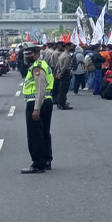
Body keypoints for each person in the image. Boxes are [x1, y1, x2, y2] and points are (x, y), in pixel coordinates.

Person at [21, 45, 54, 174]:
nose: (27, 57)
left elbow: (40, 88)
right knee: (44, 132)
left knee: (35, 135)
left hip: (37, 102)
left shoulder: (37, 67)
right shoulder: (43, 64)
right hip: (45, 101)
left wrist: (36, 108)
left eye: (29, 54)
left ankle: (38, 164)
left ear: (36, 53)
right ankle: (46, 160)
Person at [56, 43, 73, 110]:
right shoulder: (67, 56)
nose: (71, 48)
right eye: (70, 46)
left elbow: (58, 65)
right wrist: (61, 74)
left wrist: (58, 73)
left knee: (61, 89)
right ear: (67, 47)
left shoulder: (62, 54)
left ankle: (60, 103)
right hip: (65, 73)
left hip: (61, 72)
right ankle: (62, 104)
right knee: (64, 89)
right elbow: (65, 67)